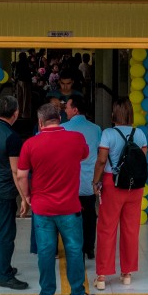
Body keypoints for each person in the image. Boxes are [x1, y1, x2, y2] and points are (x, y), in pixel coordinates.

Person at [17, 102, 96, 295]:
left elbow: (22, 175)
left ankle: (46, 294)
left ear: (40, 122)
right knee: (74, 250)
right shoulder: (76, 139)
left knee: (45, 251)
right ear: (60, 119)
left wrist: (27, 198)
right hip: (70, 207)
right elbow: (85, 155)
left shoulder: (30, 144)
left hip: (42, 209)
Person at [92, 97, 148, 290]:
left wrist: (95, 181)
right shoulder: (140, 134)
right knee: (131, 229)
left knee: (107, 228)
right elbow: (140, 160)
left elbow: (101, 160)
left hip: (112, 184)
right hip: (135, 187)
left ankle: (101, 276)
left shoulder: (108, 133)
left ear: (113, 113)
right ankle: (126, 274)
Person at [0, 94, 28, 290]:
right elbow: (16, 172)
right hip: (3, 191)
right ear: (15, 114)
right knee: (7, 233)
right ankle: (6, 275)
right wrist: (25, 198)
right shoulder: (12, 137)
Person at [61, 92, 101, 261]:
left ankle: (74, 249)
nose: (65, 110)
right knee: (90, 215)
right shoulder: (96, 129)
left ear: (75, 110)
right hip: (89, 181)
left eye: (67, 107)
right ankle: (89, 248)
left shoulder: (63, 128)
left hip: (69, 182)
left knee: (70, 217)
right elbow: (100, 154)